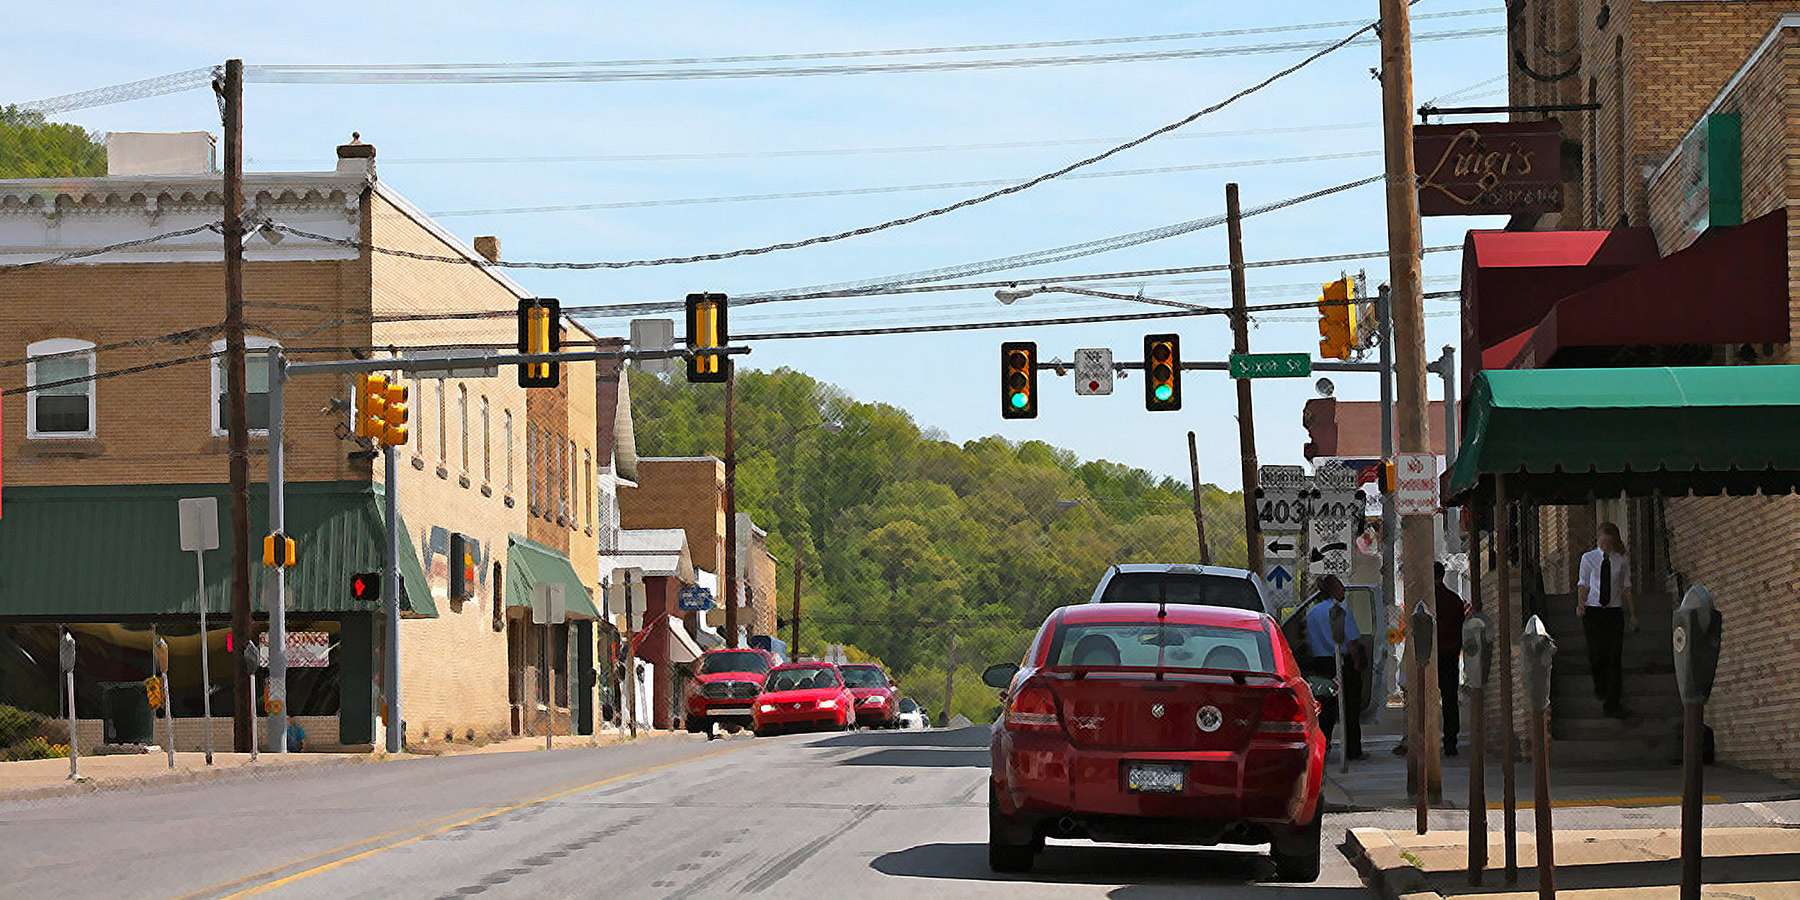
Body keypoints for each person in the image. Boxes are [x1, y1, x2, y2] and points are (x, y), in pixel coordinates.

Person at [1303, 575, 1364, 760]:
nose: (1343, 590)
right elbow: (1352, 642)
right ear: (1333, 589)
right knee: (1350, 708)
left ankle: (1322, 745)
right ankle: (1353, 749)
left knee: (1324, 707)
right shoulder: (1340, 610)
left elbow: (1305, 638)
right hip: (1341, 662)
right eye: (1340, 587)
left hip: (1320, 664)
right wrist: (1358, 663)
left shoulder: (1312, 613)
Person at [1578, 522, 1635, 718]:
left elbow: (1626, 587)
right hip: (1594, 611)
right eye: (1602, 541)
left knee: (1614, 657)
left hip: (1613, 612)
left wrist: (1633, 613)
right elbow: (1583, 584)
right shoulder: (1588, 559)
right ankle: (1600, 685)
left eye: (1609, 542)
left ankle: (1613, 703)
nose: (1605, 545)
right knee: (1596, 653)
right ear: (1598, 539)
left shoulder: (1621, 561)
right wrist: (1581, 604)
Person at [1434, 562, 1470, 756]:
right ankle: (1450, 741)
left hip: (1431, 657)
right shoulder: (1453, 600)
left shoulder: (1429, 601)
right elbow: (1461, 626)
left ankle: (1429, 738)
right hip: (1450, 655)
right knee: (1450, 699)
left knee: (1427, 699)